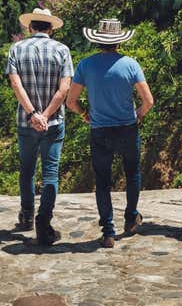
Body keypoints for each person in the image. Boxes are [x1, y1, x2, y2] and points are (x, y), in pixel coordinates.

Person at [66, 18, 154, 248]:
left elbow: (70, 101)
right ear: (118, 42)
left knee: (103, 180)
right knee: (132, 173)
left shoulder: (85, 65)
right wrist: (137, 115)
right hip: (127, 128)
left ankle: (108, 231)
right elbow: (148, 101)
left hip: (100, 130)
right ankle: (131, 217)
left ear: (98, 41)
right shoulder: (131, 64)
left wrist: (85, 114)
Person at [5, 8, 73, 245]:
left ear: (29, 27)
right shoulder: (62, 50)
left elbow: (15, 85)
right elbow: (64, 90)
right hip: (53, 123)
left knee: (27, 170)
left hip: (26, 123)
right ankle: (43, 222)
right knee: (51, 173)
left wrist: (33, 114)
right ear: (51, 28)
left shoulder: (16, 49)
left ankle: (26, 214)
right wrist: (45, 115)